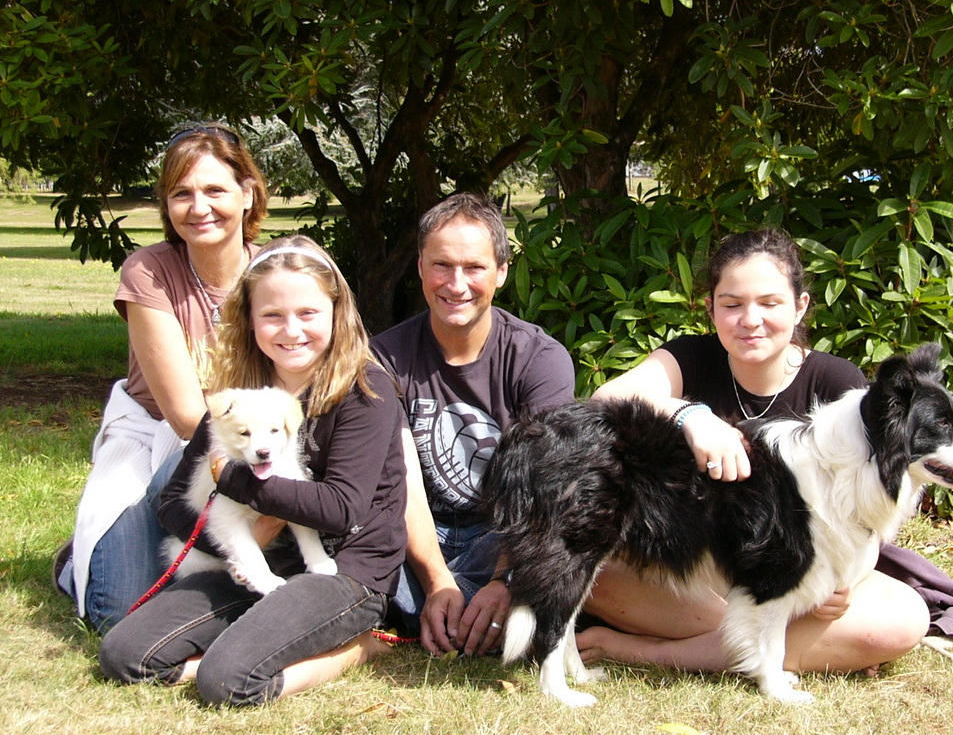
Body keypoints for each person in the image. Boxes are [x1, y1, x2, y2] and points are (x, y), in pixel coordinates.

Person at [576, 228, 931, 676]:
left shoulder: (836, 383)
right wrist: (691, 416)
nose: (750, 320)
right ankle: (782, 649)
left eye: (770, 303)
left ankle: (645, 651)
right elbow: (606, 399)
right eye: (732, 305)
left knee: (900, 620)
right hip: (696, 575)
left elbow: (867, 514)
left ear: (799, 306)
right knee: (600, 575)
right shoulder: (689, 357)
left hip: (799, 576)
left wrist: (847, 580)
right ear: (710, 309)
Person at [99, 235, 407, 707]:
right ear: (249, 319)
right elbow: (172, 503)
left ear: (336, 312)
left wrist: (232, 479)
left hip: (343, 570)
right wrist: (240, 548)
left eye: (307, 313)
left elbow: (341, 508)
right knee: (124, 653)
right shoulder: (239, 400)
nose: (291, 329)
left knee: (227, 682)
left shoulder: (366, 392)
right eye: (272, 315)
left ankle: (356, 648)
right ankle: (245, 640)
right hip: (257, 566)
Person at [55, 123, 268, 632]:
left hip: (249, 441)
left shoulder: (276, 269)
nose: (199, 207)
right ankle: (75, 560)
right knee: (119, 614)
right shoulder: (147, 271)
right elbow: (186, 416)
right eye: (181, 194)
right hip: (156, 433)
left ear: (247, 194)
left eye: (215, 190)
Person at [372, 192, 575, 657]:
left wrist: (506, 580)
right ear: (420, 267)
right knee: (360, 549)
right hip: (416, 535)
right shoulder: (382, 359)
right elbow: (398, 482)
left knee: (564, 552)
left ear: (501, 272)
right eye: (442, 265)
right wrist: (437, 579)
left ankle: (457, 611)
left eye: (474, 268)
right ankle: (451, 609)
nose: (456, 284)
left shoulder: (539, 359)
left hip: (502, 534)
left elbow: (540, 489)